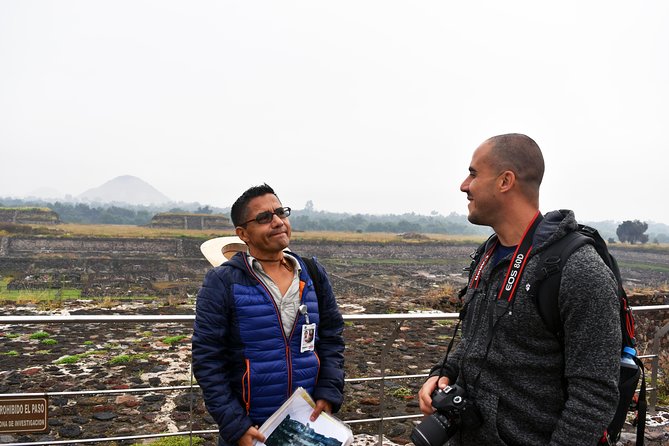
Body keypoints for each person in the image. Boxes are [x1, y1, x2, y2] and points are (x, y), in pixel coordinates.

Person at [418, 134, 621, 445]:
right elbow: (476, 340)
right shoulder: (489, 255)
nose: (463, 185)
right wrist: (444, 371)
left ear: (505, 181)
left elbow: (594, 395)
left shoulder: (578, 270)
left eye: (473, 174)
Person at [192, 184, 345, 446]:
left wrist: (328, 393)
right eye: (264, 218)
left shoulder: (312, 273)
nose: (277, 222)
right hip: (252, 429)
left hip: (304, 422)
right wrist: (236, 426)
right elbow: (208, 359)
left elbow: (331, 337)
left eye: (280, 212)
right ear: (243, 233)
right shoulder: (223, 281)